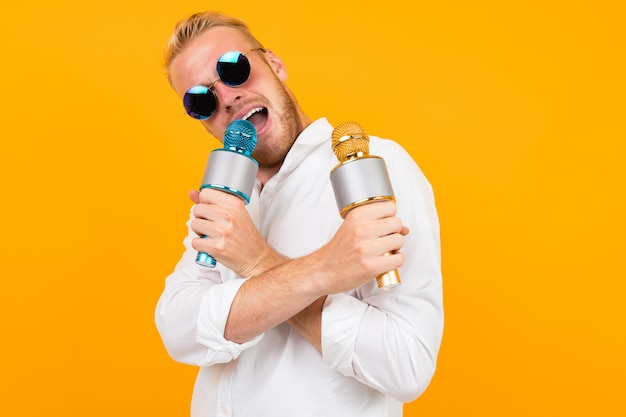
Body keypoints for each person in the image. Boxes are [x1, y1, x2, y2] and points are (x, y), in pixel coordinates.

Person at [155, 10, 443, 417]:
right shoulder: (226, 200)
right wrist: (322, 271)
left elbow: (406, 364)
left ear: (274, 63)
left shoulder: (376, 167)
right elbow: (179, 330)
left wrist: (257, 261)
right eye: (201, 99)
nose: (228, 97)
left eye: (234, 69)